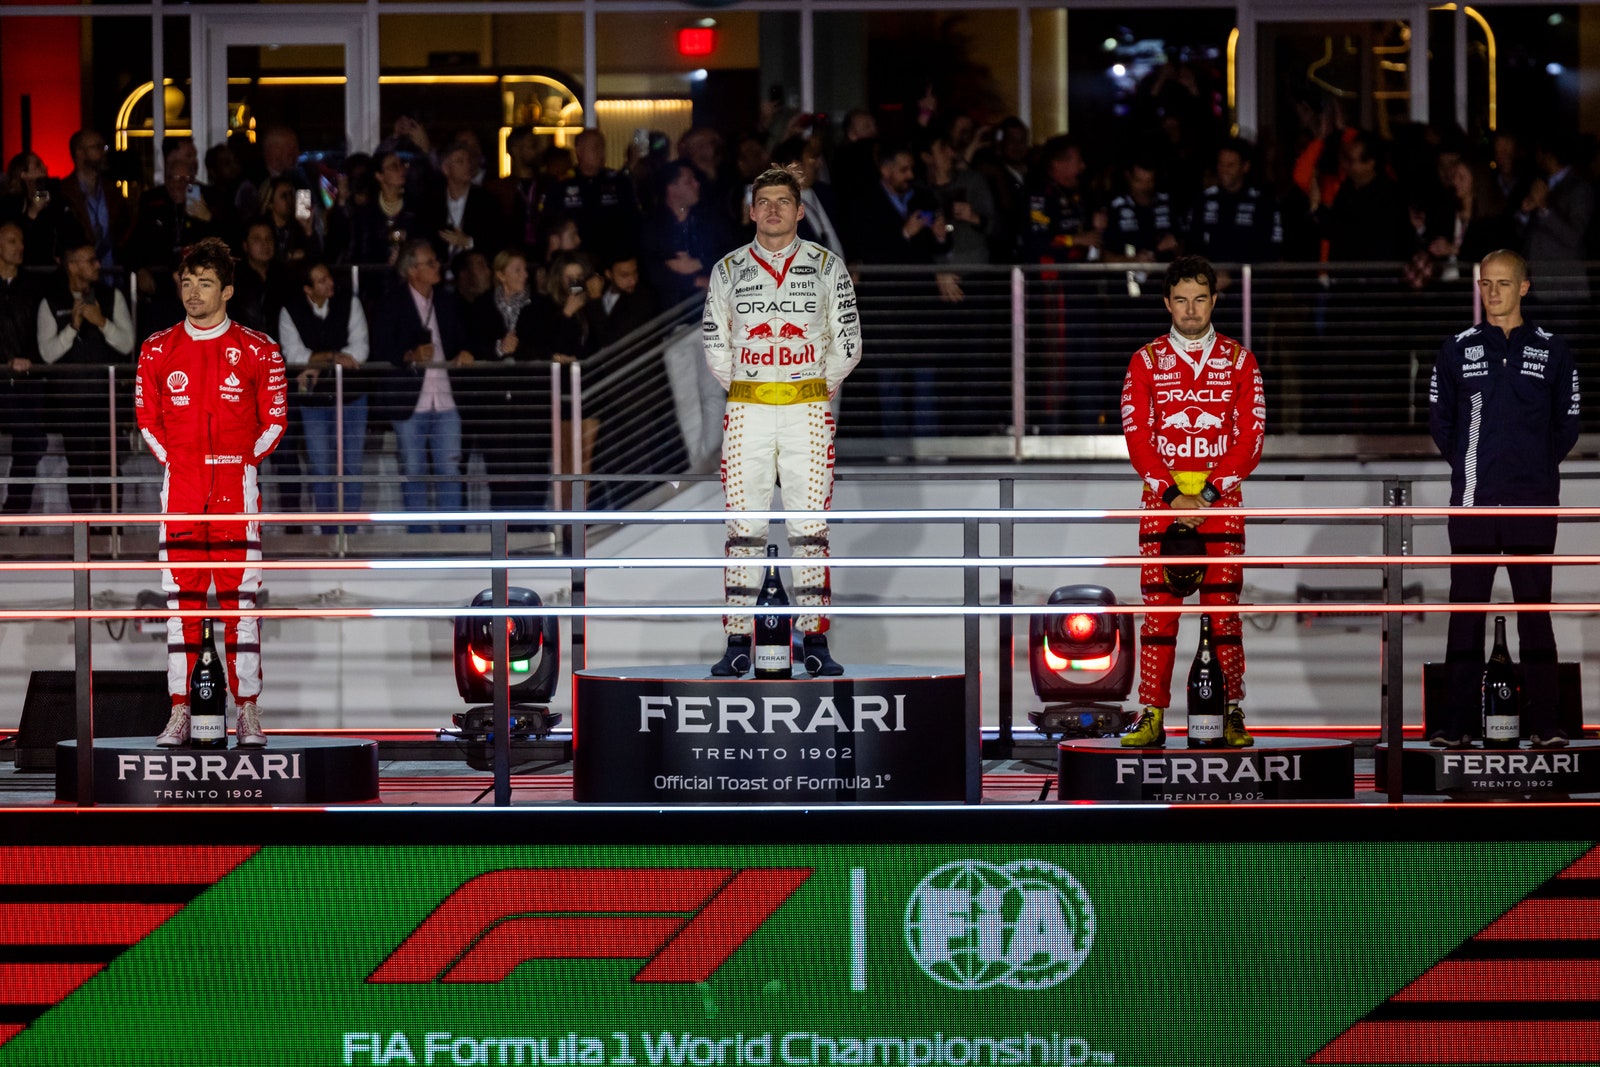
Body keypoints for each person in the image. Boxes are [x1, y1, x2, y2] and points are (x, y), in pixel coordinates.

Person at [702, 168, 861, 677]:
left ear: (800, 211)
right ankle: (737, 641)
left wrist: (809, 386)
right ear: (752, 211)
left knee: (810, 528)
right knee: (742, 528)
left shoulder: (827, 266)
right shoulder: (727, 269)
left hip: (806, 412)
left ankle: (814, 640)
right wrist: (752, 385)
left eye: (783, 201)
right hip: (746, 410)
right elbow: (714, 344)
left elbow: (849, 344)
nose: (773, 210)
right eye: (764, 201)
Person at [136, 237, 288, 748]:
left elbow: (274, 422)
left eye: (205, 284)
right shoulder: (157, 349)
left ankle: (247, 711)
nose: (193, 293)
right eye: (187, 283)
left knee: (240, 608)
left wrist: (238, 462)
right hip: (180, 493)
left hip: (236, 495)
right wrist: (183, 464)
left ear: (227, 291)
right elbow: (147, 421)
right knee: (181, 606)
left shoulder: (259, 349)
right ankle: (180, 709)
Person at [1428, 250, 1581, 747]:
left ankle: (1546, 726)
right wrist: (1473, 467)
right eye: (1485, 283)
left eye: (1503, 283)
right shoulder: (1456, 348)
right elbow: (1442, 424)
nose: (1492, 292)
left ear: (1524, 287)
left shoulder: (1554, 349)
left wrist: (1532, 469)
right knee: (1465, 614)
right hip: (1472, 502)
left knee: (1535, 613)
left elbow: (1567, 426)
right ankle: (1457, 726)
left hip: (1532, 503)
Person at [1119, 255, 1265, 749]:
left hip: (1220, 502)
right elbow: (1137, 439)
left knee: (1224, 615)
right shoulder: (1144, 361)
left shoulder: (1241, 360)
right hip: (1161, 503)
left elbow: (1250, 440)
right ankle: (1151, 715)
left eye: (1200, 299)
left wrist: (1203, 494)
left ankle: (1232, 713)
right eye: (1181, 300)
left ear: (1214, 301)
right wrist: (1172, 495)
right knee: (1159, 617)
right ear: (1167, 303)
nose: (1190, 309)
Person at [371, 239, 474, 533]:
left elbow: (464, 337)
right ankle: (419, 541)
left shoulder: (447, 300)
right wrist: (409, 356)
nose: (437, 266)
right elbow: (380, 347)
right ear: (412, 270)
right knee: (413, 471)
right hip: (410, 401)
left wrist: (465, 351)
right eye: (430, 263)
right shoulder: (392, 302)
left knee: (450, 472)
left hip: (446, 400)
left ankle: (452, 541)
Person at [36, 239, 136, 514]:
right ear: (72, 266)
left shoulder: (111, 296)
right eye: (90, 260)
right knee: (78, 465)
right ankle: (82, 529)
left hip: (107, 399)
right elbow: (47, 354)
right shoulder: (50, 300)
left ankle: (112, 529)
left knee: (109, 464)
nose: (98, 265)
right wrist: (72, 327)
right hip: (71, 402)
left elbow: (127, 344)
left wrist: (102, 322)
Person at [278, 260, 370, 529]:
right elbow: (294, 356)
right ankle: (329, 532)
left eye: (329, 277)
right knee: (321, 469)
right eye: (321, 281)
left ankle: (349, 533)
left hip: (351, 397)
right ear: (307, 289)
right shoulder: (290, 310)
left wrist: (317, 361)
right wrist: (332, 357)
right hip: (314, 401)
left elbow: (360, 350)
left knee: (351, 467)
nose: (330, 283)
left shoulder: (349, 302)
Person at [0, 222, 45, 516]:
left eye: (21, 241)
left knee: (31, 440)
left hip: (27, 379)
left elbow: (40, 330)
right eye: (12, 241)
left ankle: (15, 510)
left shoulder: (32, 286)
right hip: (1, 378)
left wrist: (27, 358)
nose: (20, 247)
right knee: (32, 438)